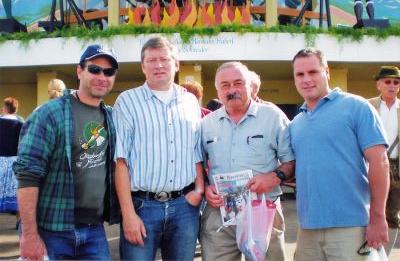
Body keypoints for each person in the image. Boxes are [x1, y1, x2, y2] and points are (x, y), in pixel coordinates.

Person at [13, 44, 120, 260]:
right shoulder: (49, 114)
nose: (102, 76)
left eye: (109, 72)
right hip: (51, 231)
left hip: (94, 231)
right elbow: (27, 176)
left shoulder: (111, 117)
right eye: (94, 69)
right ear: (79, 71)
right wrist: (29, 235)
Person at [289, 47, 389, 261]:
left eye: (313, 72)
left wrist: (378, 217)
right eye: (300, 74)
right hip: (307, 228)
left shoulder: (356, 107)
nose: (306, 79)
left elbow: (380, 161)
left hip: (351, 226)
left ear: (327, 72)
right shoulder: (296, 123)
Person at [113, 36, 204, 261]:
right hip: (143, 208)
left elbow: (196, 152)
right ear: (143, 67)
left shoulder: (190, 101)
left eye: (164, 58)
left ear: (176, 63)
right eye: (151, 60)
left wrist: (199, 190)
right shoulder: (127, 101)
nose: (159, 65)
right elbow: (120, 161)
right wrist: (128, 214)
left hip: (185, 208)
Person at [200, 61, 295, 261]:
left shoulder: (272, 116)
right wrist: (206, 187)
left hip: (263, 209)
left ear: (250, 86)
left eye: (238, 83)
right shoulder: (206, 124)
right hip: (220, 213)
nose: (232, 90)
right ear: (217, 90)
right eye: (225, 85)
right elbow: (198, 164)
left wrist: (276, 176)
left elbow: (293, 161)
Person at [368, 66, 400, 256]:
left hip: (396, 167)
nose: (392, 85)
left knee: (394, 215)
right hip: (370, 165)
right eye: (387, 81)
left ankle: (384, 256)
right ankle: (368, 254)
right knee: (369, 210)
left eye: (396, 82)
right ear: (379, 84)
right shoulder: (367, 106)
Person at [0, 97, 23, 225]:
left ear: (4, 108)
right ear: (16, 109)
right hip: (15, 161)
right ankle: (18, 221)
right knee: (16, 193)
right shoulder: (21, 124)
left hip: (0, 161)